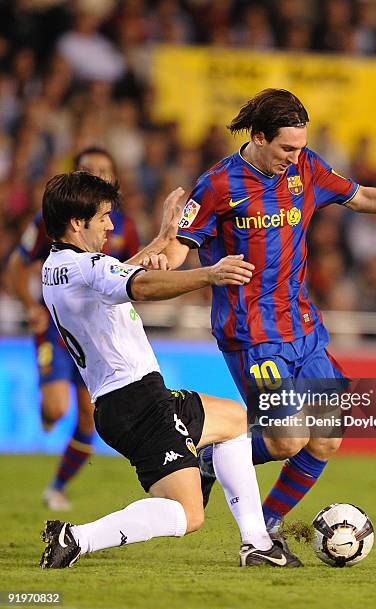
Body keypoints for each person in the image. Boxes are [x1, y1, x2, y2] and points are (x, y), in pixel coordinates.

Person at [159, 88, 376, 537]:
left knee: (327, 435)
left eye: (300, 146)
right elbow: (182, 244)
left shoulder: (307, 166)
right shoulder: (219, 184)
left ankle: (267, 526)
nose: (295, 156)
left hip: (302, 327)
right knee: (286, 440)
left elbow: (360, 198)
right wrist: (162, 258)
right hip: (253, 333)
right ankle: (206, 458)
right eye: (286, 147)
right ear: (259, 137)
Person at [39, 171, 302, 569]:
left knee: (233, 421)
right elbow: (139, 286)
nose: (111, 225)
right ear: (77, 223)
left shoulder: (59, 267)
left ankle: (257, 543)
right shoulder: (85, 267)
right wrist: (209, 275)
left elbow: (120, 275)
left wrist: (165, 237)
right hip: (135, 403)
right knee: (188, 515)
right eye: (104, 217)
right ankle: (77, 537)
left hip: (131, 399)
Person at [7, 147, 141, 511]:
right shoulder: (50, 220)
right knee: (55, 408)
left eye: (104, 170)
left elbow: (126, 273)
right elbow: (16, 265)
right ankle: (47, 413)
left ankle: (58, 486)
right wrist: (30, 305)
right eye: (89, 170)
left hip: (95, 334)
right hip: (55, 328)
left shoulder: (121, 226)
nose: (97, 175)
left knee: (87, 416)